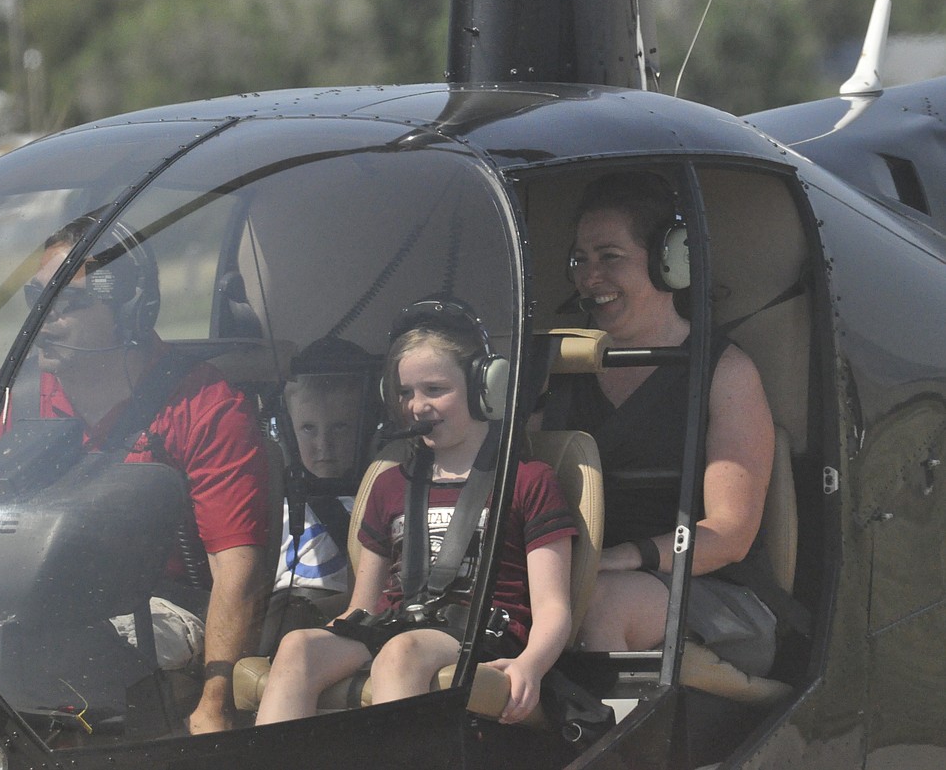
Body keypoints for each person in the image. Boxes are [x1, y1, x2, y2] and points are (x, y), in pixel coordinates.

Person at [0, 215, 271, 734]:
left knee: (70, 648)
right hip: (18, 603)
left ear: (131, 312)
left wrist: (214, 705)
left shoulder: (205, 407)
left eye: (67, 303)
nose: (43, 318)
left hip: (155, 602)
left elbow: (237, 570)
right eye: (35, 300)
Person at [255, 302, 576, 726]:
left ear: (485, 390)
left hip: (485, 633)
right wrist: (320, 641)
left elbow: (554, 609)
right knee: (298, 645)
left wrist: (531, 665)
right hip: (399, 624)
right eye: (405, 393)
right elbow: (363, 607)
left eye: (435, 389)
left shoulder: (529, 480)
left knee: (401, 653)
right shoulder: (389, 484)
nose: (417, 406)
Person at [542, 171, 777, 676]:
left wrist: (623, 558)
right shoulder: (560, 368)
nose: (590, 277)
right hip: (574, 577)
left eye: (610, 257)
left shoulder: (724, 371)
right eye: (580, 260)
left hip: (713, 597)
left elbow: (730, 534)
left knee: (600, 603)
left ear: (670, 261)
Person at [273, 337, 376, 599]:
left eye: (340, 427)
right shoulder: (275, 506)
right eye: (308, 429)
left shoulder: (377, 503)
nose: (323, 445)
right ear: (287, 432)